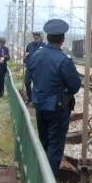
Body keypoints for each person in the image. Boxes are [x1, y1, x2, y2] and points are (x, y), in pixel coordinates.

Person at [25, 19, 81, 173]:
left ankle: (39, 177)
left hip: (40, 105)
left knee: (43, 142)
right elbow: (75, 85)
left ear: (47, 37)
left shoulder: (36, 55)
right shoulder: (63, 60)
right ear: (62, 40)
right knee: (55, 146)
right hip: (57, 108)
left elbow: (30, 77)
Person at [23, 31, 45, 103]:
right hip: (30, 68)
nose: (35, 39)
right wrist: (26, 61)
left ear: (40, 37)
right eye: (34, 37)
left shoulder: (44, 46)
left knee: (37, 85)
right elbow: (26, 55)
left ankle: (35, 100)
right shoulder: (29, 45)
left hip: (39, 69)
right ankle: (29, 98)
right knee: (27, 83)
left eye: (37, 37)